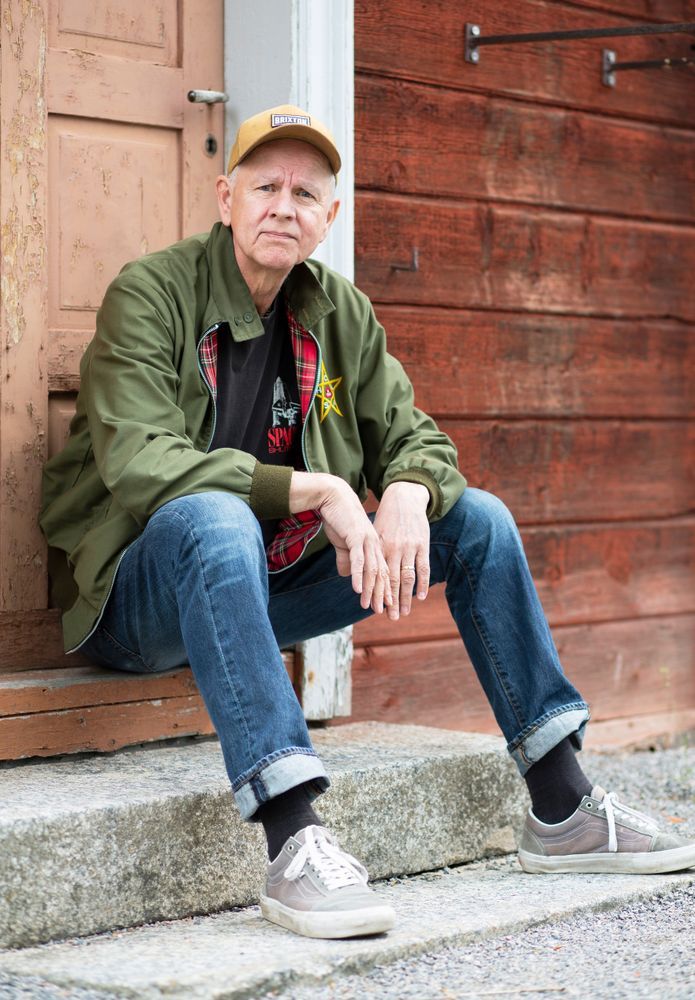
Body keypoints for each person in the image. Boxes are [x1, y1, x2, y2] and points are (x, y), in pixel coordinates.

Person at [40, 104, 695, 940]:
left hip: (266, 591)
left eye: (305, 194)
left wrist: (410, 491)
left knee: (477, 520)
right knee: (213, 518)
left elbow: (415, 437)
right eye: (265, 188)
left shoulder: (336, 313)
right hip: (141, 602)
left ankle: (562, 804)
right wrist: (317, 491)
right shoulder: (152, 294)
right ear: (226, 198)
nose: (283, 207)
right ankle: (294, 840)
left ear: (329, 217)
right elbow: (140, 462)